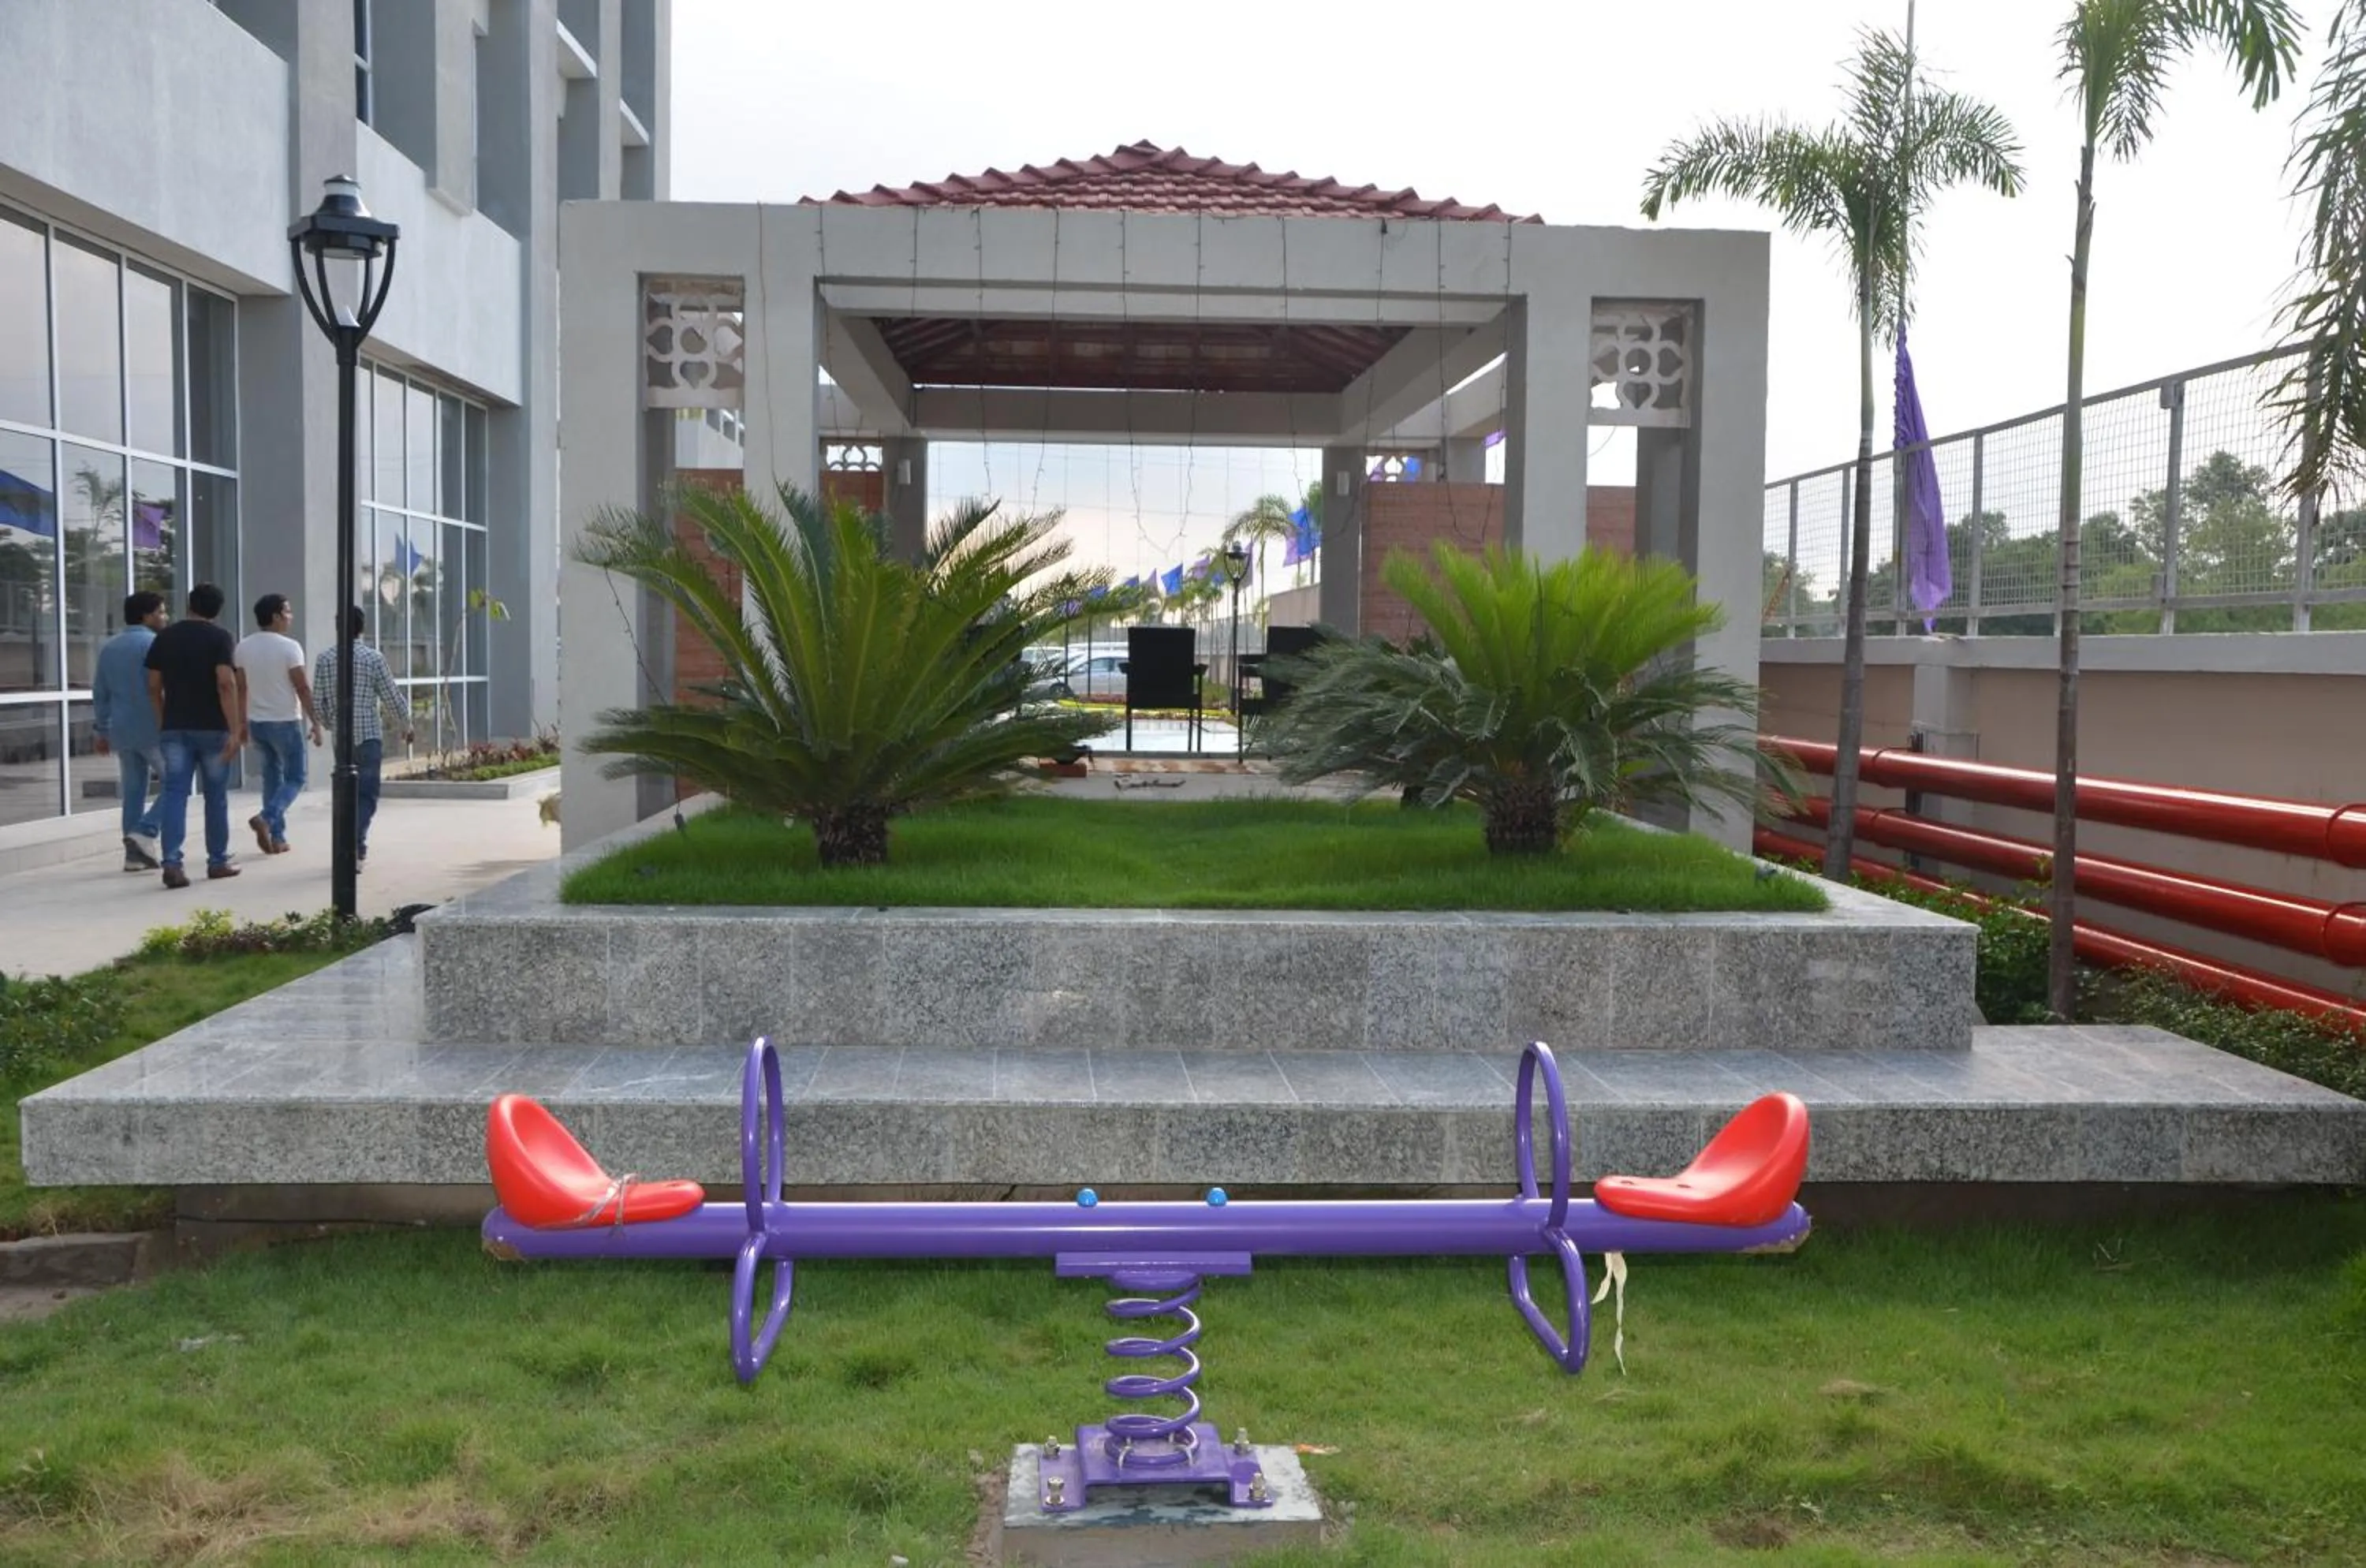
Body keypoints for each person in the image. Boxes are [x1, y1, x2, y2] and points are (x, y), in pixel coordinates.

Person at [144, 583, 245, 888]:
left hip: (175, 727)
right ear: (217, 610)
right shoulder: (220, 638)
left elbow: (153, 684)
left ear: (189, 605)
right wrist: (235, 728)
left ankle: (172, 863)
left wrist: (164, 719)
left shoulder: (166, 637)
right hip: (214, 727)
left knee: (175, 793)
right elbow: (225, 683)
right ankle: (217, 861)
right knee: (216, 797)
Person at [314, 606, 412, 868]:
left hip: (342, 741)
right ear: (362, 628)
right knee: (366, 795)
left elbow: (319, 703)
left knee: (346, 795)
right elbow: (391, 695)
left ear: (337, 627)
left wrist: (331, 724)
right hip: (368, 736)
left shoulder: (325, 659)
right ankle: (354, 845)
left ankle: (352, 845)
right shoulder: (373, 658)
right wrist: (406, 723)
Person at [234, 592, 322, 855]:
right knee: (296, 777)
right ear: (275, 616)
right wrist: (316, 722)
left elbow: (241, 689)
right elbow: (302, 687)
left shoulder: (243, 647)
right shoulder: (289, 647)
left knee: (272, 779)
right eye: (287, 612)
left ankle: (277, 838)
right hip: (285, 721)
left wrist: (242, 723)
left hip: (257, 722)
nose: (290, 617)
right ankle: (267, 818)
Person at [91, 591, 170, 872]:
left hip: (122, 730)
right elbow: (163, 687)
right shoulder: (156, 644)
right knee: (176, 783)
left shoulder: (110, 648)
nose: (165, 617)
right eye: (161, 611)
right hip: (154, 727)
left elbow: (100, 693)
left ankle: (133, 856)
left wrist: (102, 730)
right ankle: (145, 833)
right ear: (147, 616)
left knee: (134, 791)